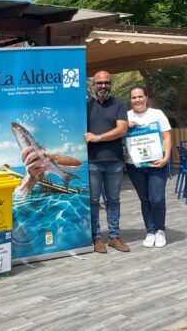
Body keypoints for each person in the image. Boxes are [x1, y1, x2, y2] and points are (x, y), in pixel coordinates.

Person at [85, 70, 129, 253]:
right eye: (99, 83)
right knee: (94, 201)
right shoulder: (84, 106)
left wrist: (98, 138)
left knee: (113, 199)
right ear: (93, 85)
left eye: (106, 83)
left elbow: (122, 130)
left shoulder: (118, 104)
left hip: (114, 160)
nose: (103, 86)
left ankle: (114, 237)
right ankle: (96, 237)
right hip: (92, 161)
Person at [126, 86, 171, 248]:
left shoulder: (157, 114)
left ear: (146, 97)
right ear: (130, 100)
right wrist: (126, 127)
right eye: (133, 97)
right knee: (145, 200)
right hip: (134, 165)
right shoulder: (125, 117)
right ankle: (150, 231)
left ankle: (160, 230)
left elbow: (166, 137)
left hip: (157, 163)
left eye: (140, 96)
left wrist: (166, 158)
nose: (137, 100)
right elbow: (119, 138)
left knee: (157, 199)